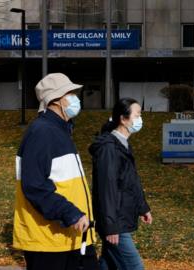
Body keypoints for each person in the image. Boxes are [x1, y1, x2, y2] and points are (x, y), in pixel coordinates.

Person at [13, 73, 98, 269]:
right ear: (57, 100)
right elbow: (34, 185)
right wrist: (71, 213)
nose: (76, 98)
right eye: (70, 93)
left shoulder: (60, 130)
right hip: (49, 243)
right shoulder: (43, 132)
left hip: (69, 238)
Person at [89, 98, 152, 270]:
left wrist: (142, 207)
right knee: (135, 266)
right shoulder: (109, 148)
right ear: (123, 119)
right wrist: (110, 227)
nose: (140, 119)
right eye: (137, 115)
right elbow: (106, 189)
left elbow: (131, 181)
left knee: (108, 264)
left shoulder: (122, 145)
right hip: (115, 222)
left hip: (120, 217)